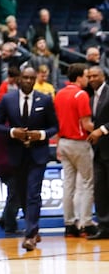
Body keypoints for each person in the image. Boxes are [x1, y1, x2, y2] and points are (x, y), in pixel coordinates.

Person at [0, 66, 59, 251]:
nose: (29, 81)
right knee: (22, 194)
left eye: (32, 78)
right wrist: (13, 132)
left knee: (33, 193)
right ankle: (33, 228)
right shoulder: (8, 99)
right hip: (16, 154)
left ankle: (29, 235)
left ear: (35, 79)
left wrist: (42, 135)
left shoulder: (45, 99)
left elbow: (54, 126)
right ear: (19, 79)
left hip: (38, 154)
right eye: (26, 78)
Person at [54, 63, 96, 237]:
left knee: (69, 185)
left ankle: (69, 224)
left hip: (63, 142)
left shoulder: (59, 94)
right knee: (87, 183)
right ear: (79, 77)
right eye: (86, 76)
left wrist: (57, 144)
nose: (88, 79)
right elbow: (86, 124)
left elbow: (56, 123)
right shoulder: (81, 94)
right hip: (79, 143)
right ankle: (86, 223)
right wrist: (101, 129)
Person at [86, 66, 109, 239]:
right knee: (100, 190)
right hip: (98, 151)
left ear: (103, 76)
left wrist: (101, 130)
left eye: (95, 75)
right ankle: (104, 226)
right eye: (89, 76)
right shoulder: (91, 97)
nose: (92, 78)